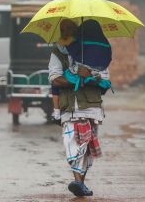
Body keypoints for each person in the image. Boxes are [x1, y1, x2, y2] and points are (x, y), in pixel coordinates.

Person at [48, 20, 110, 197]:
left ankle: (79, 183)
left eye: (71, 29)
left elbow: (105, 82)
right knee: (72, 144)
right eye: (64, 29)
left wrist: (91, 74)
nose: (67, 31)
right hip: (69, 108)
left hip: (91, 107)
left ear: (77, 32)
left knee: (87, 146)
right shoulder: (57, 53)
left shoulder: (95, 53)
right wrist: (78, 79)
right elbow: (55, 79)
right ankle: (78, 181)